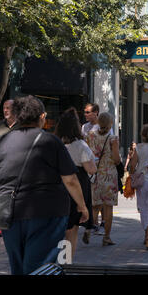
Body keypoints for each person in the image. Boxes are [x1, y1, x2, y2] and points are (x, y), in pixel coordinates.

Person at [0, 95, 88, 275]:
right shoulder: (50, 141)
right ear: (42, 117)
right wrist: (82, 206)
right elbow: (70, 180)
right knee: (41, 266)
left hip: (8, 213)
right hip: (46, 211)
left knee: (18, 266)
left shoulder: (1, 142)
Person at [54, 107, 97, 256]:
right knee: (72, 228)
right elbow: (91, 169)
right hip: (77, 184)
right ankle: (66, 261)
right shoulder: (80, 145)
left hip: (57, 185)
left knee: (61, 225)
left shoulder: (56, 143)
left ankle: (59, 258)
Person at [86, 112, 121, 246]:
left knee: (95, 206)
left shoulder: (90, 136)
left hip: (94, 175)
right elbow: (116, 159)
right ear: (110, 123)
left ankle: (89, 230)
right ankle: (106, 237)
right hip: (109, 175)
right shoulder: (113, 139)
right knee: (108, 208)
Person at [0, 99, 19, 238]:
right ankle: (1, 225)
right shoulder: (0, 126)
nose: (5, 110)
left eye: (8, 108)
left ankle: (14, 224)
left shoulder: (21, 125)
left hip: (18, 166)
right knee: (1, 195)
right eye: (4, 107)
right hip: (2, 166)